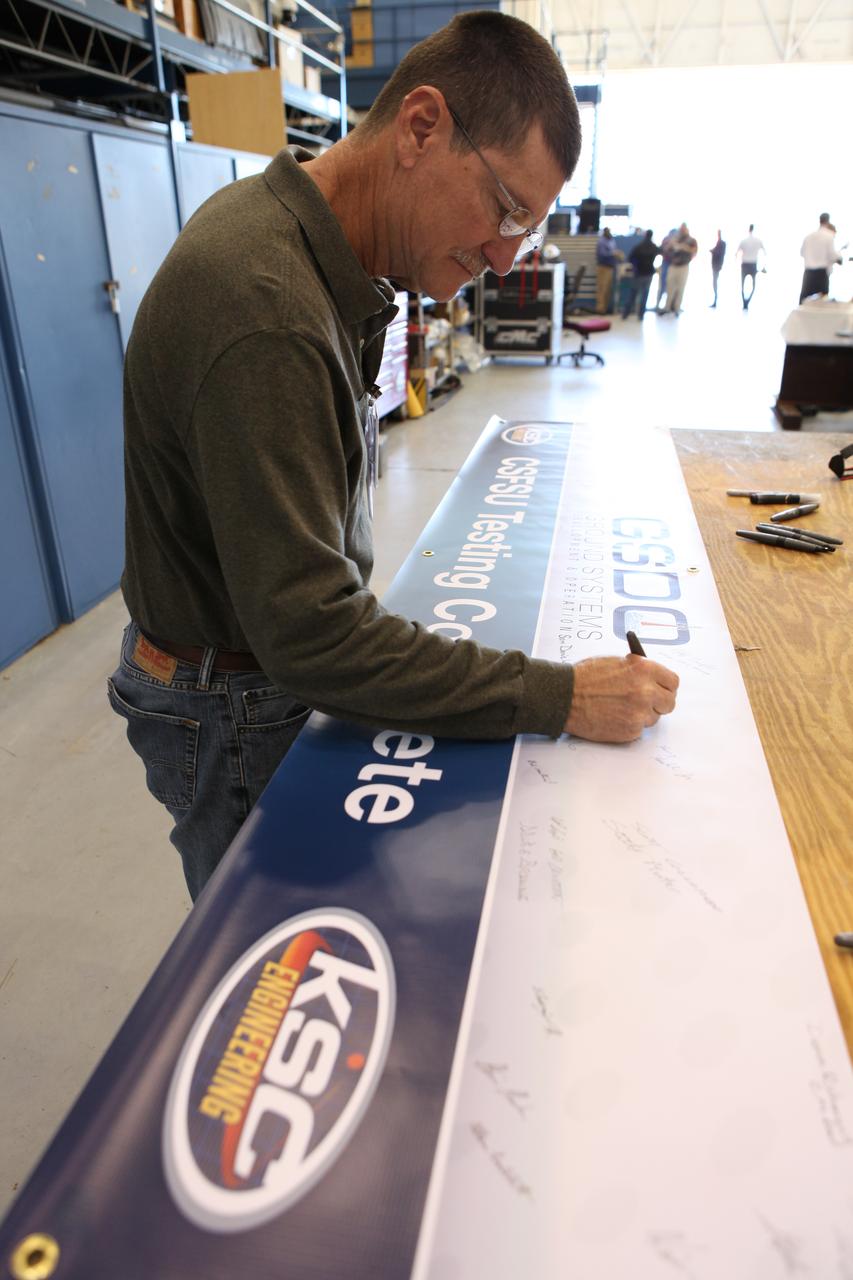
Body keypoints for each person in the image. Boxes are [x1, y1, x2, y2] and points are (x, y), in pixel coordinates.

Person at [111, 11, 679, 899]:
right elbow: (313, 638)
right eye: (505, 210)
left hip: (252, 657)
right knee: (277, 955)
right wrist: (559, 697)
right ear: (421, 127)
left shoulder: (304, 244)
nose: (503, 257)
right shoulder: (265, 305)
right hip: (234, 700)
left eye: (527, 232)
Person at [800, 212, 842, 303]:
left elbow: (802, 253)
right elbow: (832, 255)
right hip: (821, 275)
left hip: (808, 274)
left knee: (804, 303)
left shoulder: (808, 237)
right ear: (828, 221)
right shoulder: (829, 236)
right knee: (822, 305)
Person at [621, 229, 660, 319]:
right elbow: (661, 252)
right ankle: (641, 315)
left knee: (633, 294)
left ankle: (625, 314)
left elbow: (630, 258)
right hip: (648, 273)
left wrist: (636, 266)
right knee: (644, 295)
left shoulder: (639, 247)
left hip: (638, 273)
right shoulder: (653, 247)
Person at [663, 224, 698, 314]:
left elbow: (694, 252)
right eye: (681, 229)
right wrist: (672, 245)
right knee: (670, 287)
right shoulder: (675, 239)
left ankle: (677, 308)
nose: (682, 230)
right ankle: (667, 307)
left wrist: (684, 247)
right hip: (673, 266)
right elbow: (666, 250)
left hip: (683, 266)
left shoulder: (691, 240)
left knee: (680, 288)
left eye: (684, 229)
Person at [736, 224, 765, 310]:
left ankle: (745, 302)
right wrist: (763, 266)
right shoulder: (758, 241)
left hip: (745, 264)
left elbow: (736, 253)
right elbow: (765, 253)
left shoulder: (743, 241)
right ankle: (746, 302)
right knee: (753, 286)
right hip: (752, 264)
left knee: (743, 285)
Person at [595, 227, 623, 314]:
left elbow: (614, 250)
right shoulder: (601, 242)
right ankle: (600, 309)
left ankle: (605, 308)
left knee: (607, 289)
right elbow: (602, 254)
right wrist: (613, 253)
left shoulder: (611, 241)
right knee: (602, 288)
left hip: (610, 268)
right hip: (603, 267)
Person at [709, 230, 726, 307]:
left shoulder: (722, 243)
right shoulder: (718, 243)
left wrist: (713, 251)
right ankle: (715, 299)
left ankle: (715, 300)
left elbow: (720, 253)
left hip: (717, 265)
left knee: (715, 282)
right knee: (714, 282)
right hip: (715, 265)